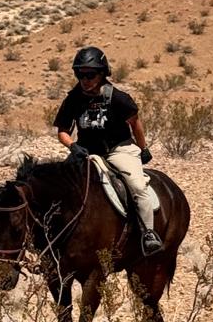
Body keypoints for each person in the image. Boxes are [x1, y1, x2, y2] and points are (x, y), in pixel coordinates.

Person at [53, 46, 163, 254]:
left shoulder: (119, 98)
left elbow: (135, 124)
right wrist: (72, 145)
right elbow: (63, 131)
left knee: (137, 186)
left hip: (118, 149)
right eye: (80, 74)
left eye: (90, 74)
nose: (84, 79)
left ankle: (148, 233)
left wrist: (142, 148)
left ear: (102, 73)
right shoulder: (73, 99)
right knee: (59, 185)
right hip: (86, 152)